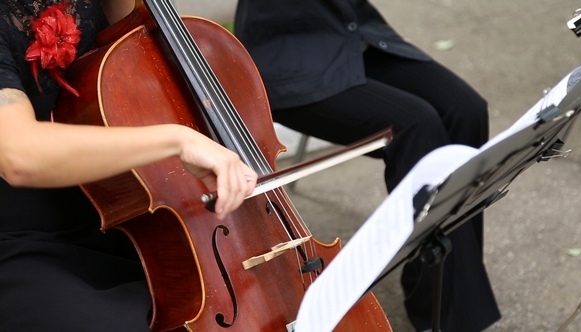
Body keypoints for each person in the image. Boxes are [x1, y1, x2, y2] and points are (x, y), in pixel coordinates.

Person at [234, 0, 501, 331]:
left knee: (466, 110)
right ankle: (450, 317)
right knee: (417, 126)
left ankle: (435, 285)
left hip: (355, 32)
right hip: (290, 52)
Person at [0, 1, 257, 330]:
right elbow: (18, 155)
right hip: (22, 245)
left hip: (130, 213)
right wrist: (178, 141)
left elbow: (150, 54)